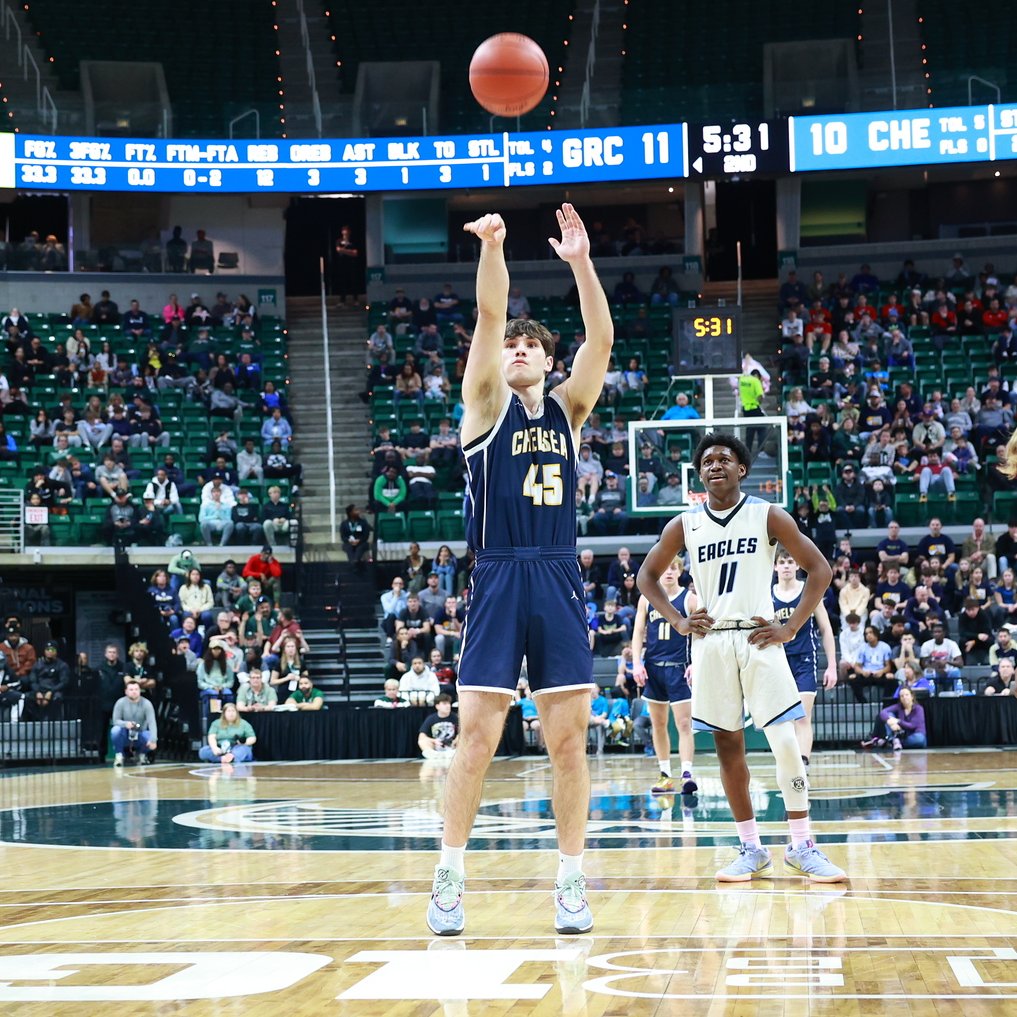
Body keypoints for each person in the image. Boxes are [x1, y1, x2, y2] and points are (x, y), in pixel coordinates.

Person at [426, 204, 612, 938]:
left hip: (558, 574)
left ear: (546, 358)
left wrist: (580, 261)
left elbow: (600, 338)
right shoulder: (482, 408)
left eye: (530, 344)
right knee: (477, 736)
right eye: (510, 345)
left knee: (567, 741)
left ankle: (569, 882)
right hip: (499, 573)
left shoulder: (567, 412)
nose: (516, 348)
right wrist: (495, 245)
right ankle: (449, 874)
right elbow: (488, 307)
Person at [637, 432, 845, 883]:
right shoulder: (684, 524)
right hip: (712, 644)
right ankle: (751, 847)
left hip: (759, 638)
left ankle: (802, 844)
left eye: (724, 459)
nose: (715, 465)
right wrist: (676, 620)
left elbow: (821, 571)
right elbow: (647, 577)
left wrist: (790, 627)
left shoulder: (767, 515)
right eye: (707, 460)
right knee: (728, 748)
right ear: (699, 474)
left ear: (742, 469)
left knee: (786, 742)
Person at [631, 555, 697, 797]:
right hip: (654, 667)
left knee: (683, 724)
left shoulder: (690, 599)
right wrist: (636, 663)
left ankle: (687, 774)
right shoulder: (647, 599)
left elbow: (702, 634)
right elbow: (638, 632)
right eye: (665, 568)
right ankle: (665, 774)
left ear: (680, 571)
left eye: (673, 567)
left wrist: (696, 663)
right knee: (658, 724)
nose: (669, 572)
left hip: (679, 667)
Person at [772, 549, 837, 771]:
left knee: (802, 716)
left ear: (798, 565)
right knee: (785, 721)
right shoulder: (767, 595)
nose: (787, 566)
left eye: (791, 561)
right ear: (775, 567)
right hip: (779, 661)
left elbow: (826, 629)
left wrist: (832, 666)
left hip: (805, 660)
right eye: (782, 562)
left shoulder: (808, 592)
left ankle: (804, 766)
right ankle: (790, 766)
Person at [110, 679, 158, 766]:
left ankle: (141, 755)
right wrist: (125, 724)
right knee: (115, 731)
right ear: (126, 692)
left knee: (149, 736)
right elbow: (115, 721)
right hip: (125, 733)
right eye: (131, 690)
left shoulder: (147, 704)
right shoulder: (120, 702)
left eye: (136, 689)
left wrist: (153, 740)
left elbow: (152, 723)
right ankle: (119, 755)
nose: (134, 692)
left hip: (140, 733)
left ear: (140, 691)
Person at [417, 693, 459, 760]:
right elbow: (421, 736)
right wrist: (433, 741)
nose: (448, 706)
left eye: (449, 703)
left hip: (452, 746)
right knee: (422, 741)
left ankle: (454, 754)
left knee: (462, 739)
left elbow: (462, 733)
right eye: (444, 704)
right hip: (436, 746)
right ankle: (433, 754)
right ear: (437, 706)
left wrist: (456, 740)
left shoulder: (455, 717)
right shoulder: (431, 718)